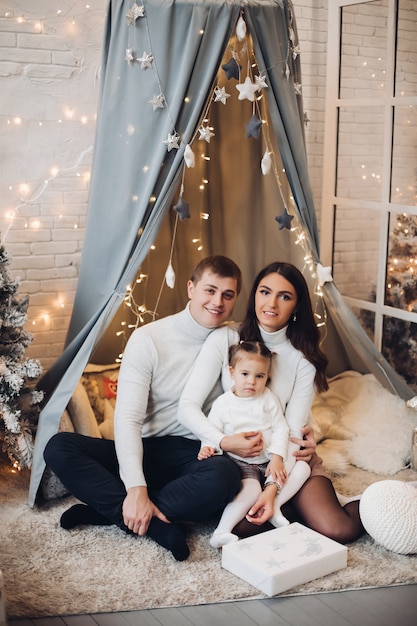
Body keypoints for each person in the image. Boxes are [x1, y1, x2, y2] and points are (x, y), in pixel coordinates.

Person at [44, 255, 267, 561]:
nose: (218, 302)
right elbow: (128, 420)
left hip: (195, 454)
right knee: (58, 447)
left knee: (225, 476)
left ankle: (113, 513)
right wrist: (136, 486)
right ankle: (154, 524)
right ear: (191, 288)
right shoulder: (148, 339)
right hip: (145, 449)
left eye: (228, 295)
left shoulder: (234, 341)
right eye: (210, 290)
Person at [179, 261, 365, 543]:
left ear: (297, 306)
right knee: (242, 527)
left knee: (339, 530)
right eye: (265, 292)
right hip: (243, 463)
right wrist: (221, 441)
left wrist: (272, 489)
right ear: (254, 295)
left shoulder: (303, 359)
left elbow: (291, 431)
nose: (272, 303)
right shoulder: (226, 339)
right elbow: (188, 407)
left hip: (286, 460)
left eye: (285, 296)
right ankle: (294, 509)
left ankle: (368, 500)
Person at [198, 340, 311, 548]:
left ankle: (275, 506)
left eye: (259, 376)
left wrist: (277, 458)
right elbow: (212, 430)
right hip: (241, 463)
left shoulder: (268, 398)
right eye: (245, 374)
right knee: (250, 492)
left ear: (267, 377)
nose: (252, 382)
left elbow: (281, 429)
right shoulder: (223, 404)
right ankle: (221, 532)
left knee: (302, 468)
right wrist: (208, 447)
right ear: (232, 372)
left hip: (268, 461)